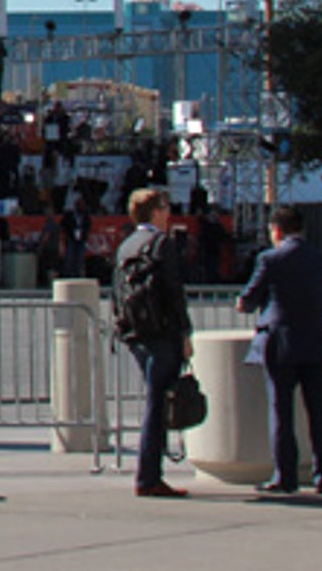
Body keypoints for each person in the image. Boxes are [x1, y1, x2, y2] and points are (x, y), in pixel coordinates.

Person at [235, 206, 322, 494]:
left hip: (281, 342)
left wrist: (243, 303)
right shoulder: (321, 259)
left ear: (277, 230)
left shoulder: (270, 259)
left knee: (281, 411)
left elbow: (250, 298)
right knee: (321, 413)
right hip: (317, 340)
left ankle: (286, 476)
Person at [116, 187, 194, 498]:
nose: (169, 213)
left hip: (137, 333)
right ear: (155, 212)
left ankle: (149, 474)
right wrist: (185, 333)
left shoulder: (127, 245)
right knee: (157, 403)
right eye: (165, 207)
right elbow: (173, 292)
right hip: (162, 333)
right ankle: (149, 476)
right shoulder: (161, 244)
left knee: (154, 398)